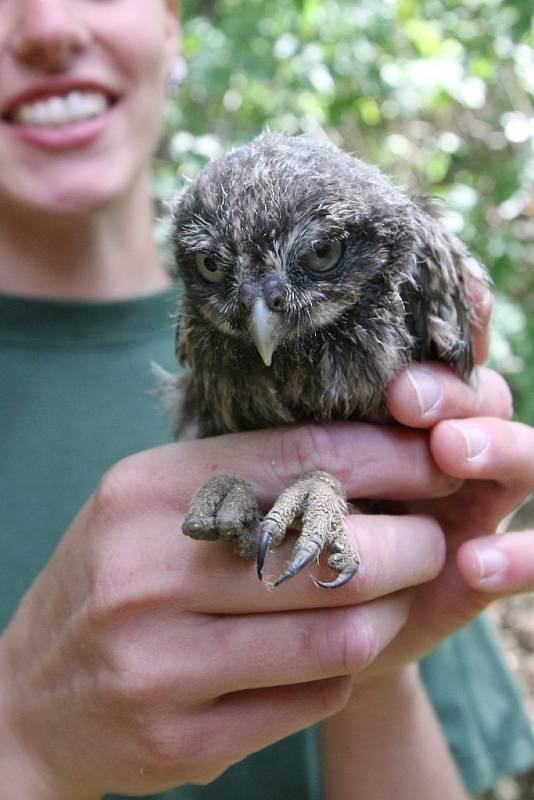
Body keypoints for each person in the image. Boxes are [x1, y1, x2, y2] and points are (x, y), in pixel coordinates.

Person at [0, 1, 532, 798]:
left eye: (318, 254)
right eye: (215, 275)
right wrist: (26, 734)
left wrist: (369, 650)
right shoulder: (209, 334)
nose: (261, 311)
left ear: (171, 21)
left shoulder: (413, 263)